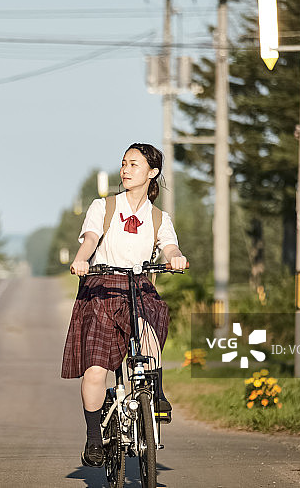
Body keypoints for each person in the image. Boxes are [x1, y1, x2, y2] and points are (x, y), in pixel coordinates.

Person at [61, 143, 188, 469]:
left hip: (139, 288)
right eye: (124, 163)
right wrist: (80, 260)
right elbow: (90, 239)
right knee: (95, 371)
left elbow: (170, 246)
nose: (126, 169)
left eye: (134, 164)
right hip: (101, 290)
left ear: (152, 172)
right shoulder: (102, 207)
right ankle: (93, 438)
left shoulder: (159, 217)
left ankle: (154, 390)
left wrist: (175, 258)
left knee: (151, 325)